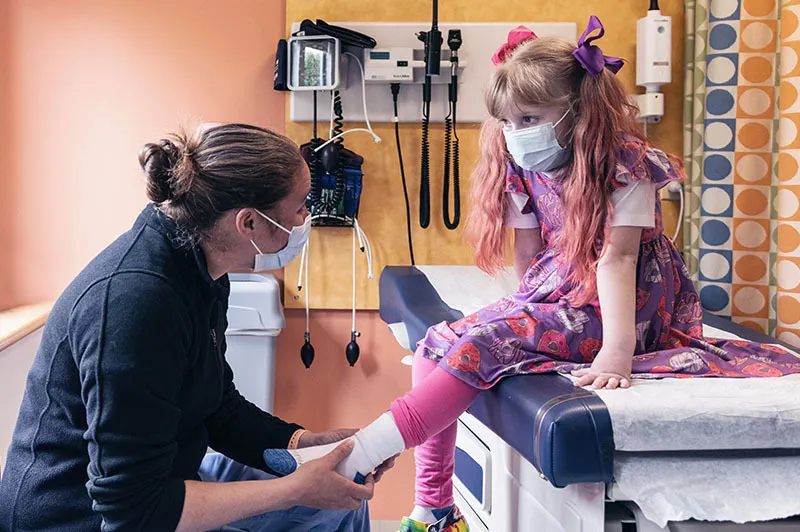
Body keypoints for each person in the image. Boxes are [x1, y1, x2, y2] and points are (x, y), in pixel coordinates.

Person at [260, 17, 800, 532]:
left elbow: (618, 260)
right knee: (440, 342)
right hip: (561, 289)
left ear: (577, 111)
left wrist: (617, 351)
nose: (517, 133)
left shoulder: (626, 162)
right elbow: (528, 253)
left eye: (531, 119)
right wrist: (526, 310)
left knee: (484, 343)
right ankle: (433, 511)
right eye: (509, 121)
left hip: (627, 306)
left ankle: (359, 454)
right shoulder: (522, 165)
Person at [0, 123, 394, 532]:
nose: (305, 218)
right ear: (249, 223)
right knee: (314, 498)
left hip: (163, 478)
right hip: (78, 517)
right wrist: (296, 488)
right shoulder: (138, 304)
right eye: (299, 206)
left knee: (341, 501)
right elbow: (133, 512)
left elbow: (217, 407)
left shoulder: (204, 269)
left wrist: (305, 446)